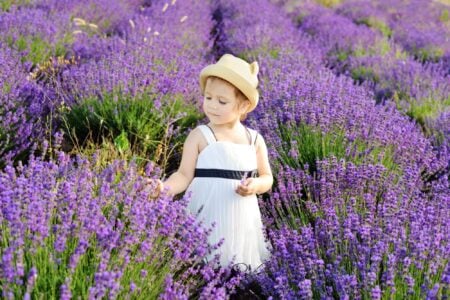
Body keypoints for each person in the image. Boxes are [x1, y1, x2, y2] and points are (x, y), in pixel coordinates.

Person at [152, 53, 273, 271]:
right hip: (204, 212)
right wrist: (165, 188)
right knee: (197, 262)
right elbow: (184, 175)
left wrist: (256, 185)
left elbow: (267, 177)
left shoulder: (254, 139)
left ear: (244, 106)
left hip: (240, 217)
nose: (212, 106)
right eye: (208, 98)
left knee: (239, 264)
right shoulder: (200, 135)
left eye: (222, 101)